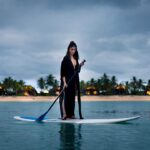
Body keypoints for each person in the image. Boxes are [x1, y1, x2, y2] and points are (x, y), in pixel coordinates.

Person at [59, 41, 85, 120]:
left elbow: (77, 71)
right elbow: (62, 71)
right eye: (71, 49)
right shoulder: (66, 58)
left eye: (74, 49)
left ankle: (71, 115)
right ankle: (64, 114)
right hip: (66, 81)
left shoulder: (76, 59)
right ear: (68, 49)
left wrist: (80, 65)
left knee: (72, 98)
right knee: (65, 98)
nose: (73, 51)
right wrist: (64, 82)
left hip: (73, 82)